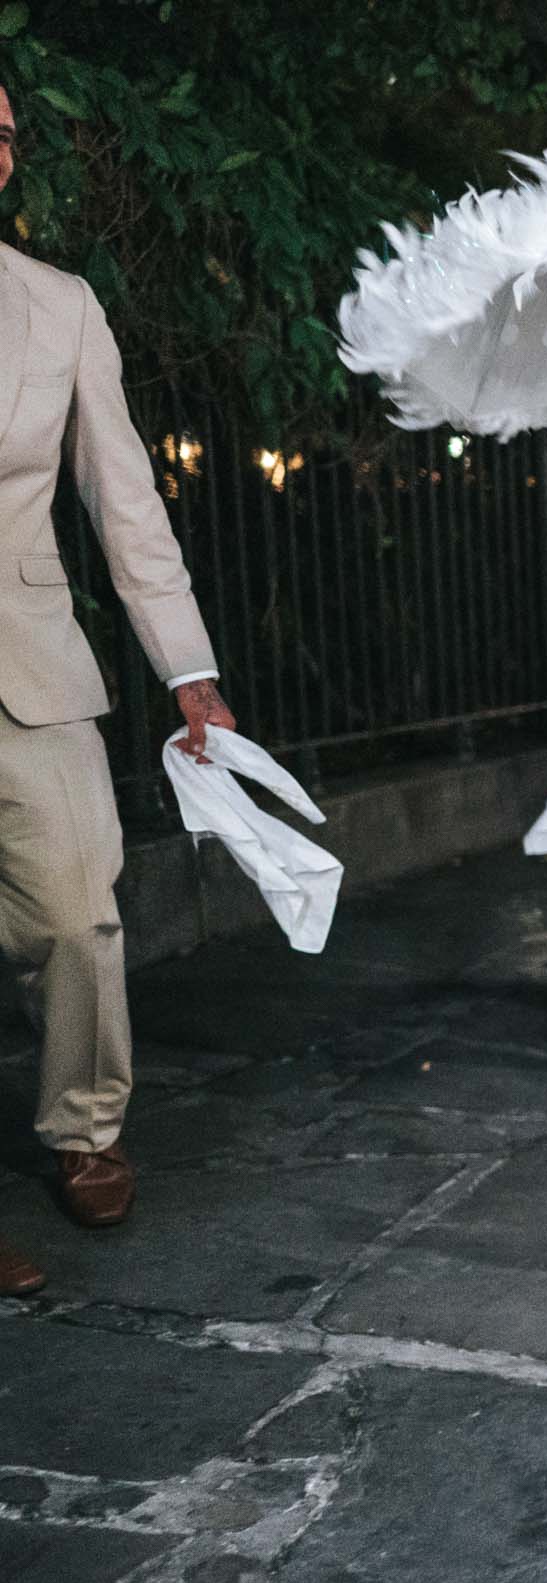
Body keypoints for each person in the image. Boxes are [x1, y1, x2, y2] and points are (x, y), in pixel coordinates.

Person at [0, 80, 244, 1295]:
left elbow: (123, 497)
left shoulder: (59, 308)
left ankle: (85, 1128)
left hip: (29, 665)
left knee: (76, 914)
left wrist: (185, 665)